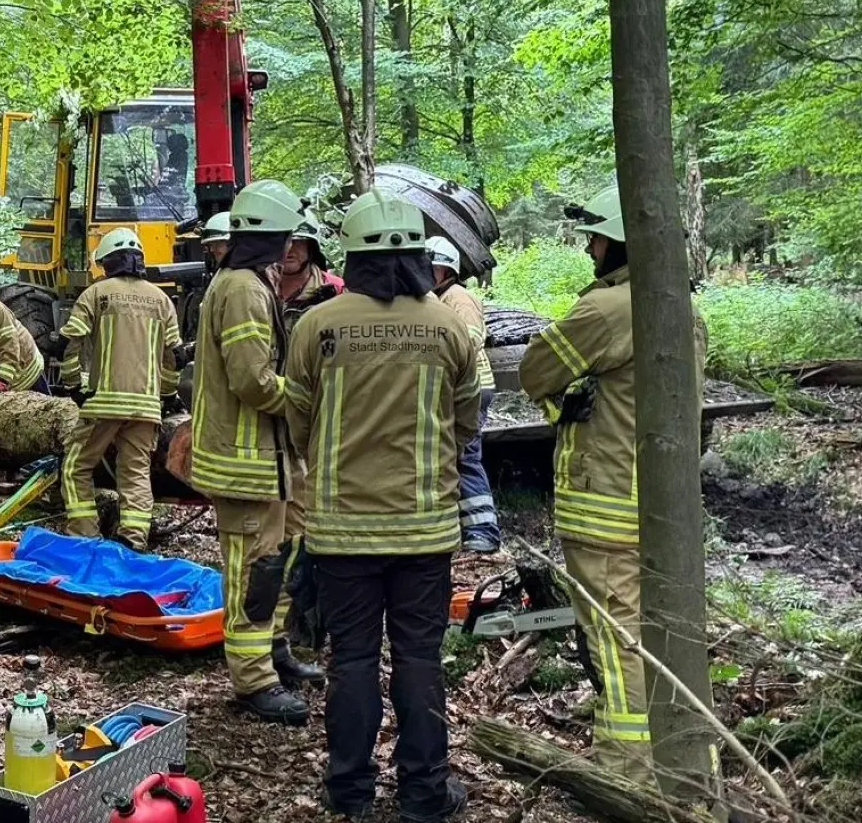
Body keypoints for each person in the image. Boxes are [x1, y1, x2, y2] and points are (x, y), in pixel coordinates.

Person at [283, 189, 479, 823]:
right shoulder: (449, 324)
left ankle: (350, 791)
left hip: (341, 533)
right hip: (424, 531)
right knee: (420, 659)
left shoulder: (318, 325)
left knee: (355, 658)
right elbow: (468, 420)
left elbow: (298, 421)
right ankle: (424, 794)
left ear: (354, 252)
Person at [518, 184, 706, 787]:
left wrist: (565, 399)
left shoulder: (605, 310)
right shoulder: (684, 308)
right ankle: (679, 750)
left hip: (603, 502)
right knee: (659, 627)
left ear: (620, 244)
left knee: (614, 634)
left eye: (596, 238)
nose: (589, 250)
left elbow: (533, 370)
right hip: (662, 502)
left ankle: (628, 768)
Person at [191, 179, 319, 726]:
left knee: (286, 553)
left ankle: (275, 649)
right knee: (253, 571)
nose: (291, 247)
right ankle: (253, 679)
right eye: (285, 236)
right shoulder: (241, 287)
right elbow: (252, 380)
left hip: (273, 458)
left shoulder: (251, 281)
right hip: (246, 463)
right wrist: (307, 397)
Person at [58, 228, 180, 550]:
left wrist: (74, 387)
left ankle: (84, 536)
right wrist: (166, 396)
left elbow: (71, 344)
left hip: (104, 403)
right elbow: (172, 358)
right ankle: (133, 542)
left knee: (76, 467)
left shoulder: (96, 294)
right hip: (146, 406)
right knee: (136, 473)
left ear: (107, 262)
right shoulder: (162, 300)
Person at [425, 236, 499, 552]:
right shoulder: (439, 299)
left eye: (432, 267)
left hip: (473, 388)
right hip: (458, 387)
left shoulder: (458, 298)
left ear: (446, 269)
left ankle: (483, 530)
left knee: (466, 456)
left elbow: (469, 341)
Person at [276, 216, 344, 305]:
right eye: (282, 242)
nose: (289, 248)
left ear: (311, 247)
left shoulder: (337, 289)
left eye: (297, 242)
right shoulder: (256, 286)